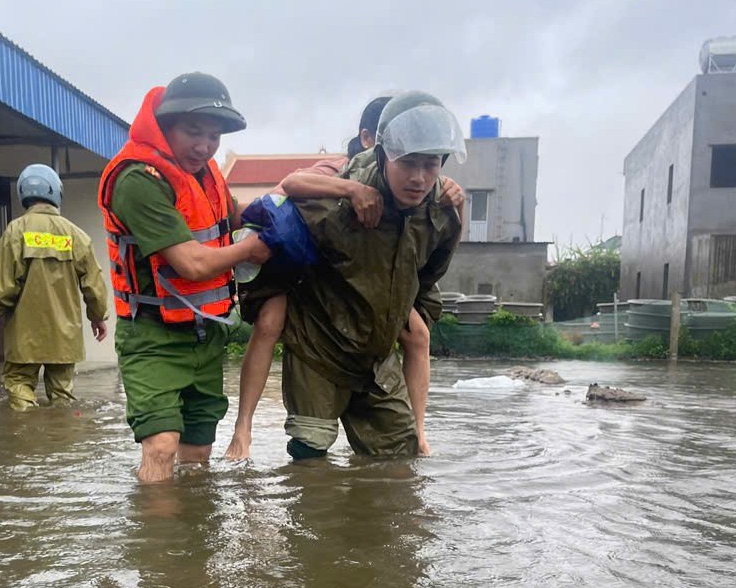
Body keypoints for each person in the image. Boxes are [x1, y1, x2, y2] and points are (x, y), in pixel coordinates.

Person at [224, 95, 464, 460]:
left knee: (403, 464)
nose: (418, 178)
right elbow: (280, 208)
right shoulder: (339, 199)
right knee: (310, 464)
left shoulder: (441, 212)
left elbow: (427, 277)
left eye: (430, 166)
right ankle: (244, 431)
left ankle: (417, 432)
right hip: (320, 349)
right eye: (408, 164)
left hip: (375, 357)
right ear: (383, 154)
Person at [97, 72, 271, 484]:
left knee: (198, 453)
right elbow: (190, 263)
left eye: (214, 136)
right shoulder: (137, 179)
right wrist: (251, 250)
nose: (204, 145)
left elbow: (235, 213)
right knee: (160, 445)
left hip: (206, 333)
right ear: (165, 125)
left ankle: (192, 543)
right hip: (153, 335)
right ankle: (157, 546)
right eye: (194, 132)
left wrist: (289, 205)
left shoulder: (206, 171)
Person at [0, 163, 109, 410]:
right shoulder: (76, 235)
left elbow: (3, 283)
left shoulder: (15, 232)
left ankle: (28, 441)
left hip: (23, 333)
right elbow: (93, 284)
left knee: (19, 386)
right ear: (55, 193)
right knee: (63, 397)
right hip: (65, 334)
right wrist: (97, 316)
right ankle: (61, 440)